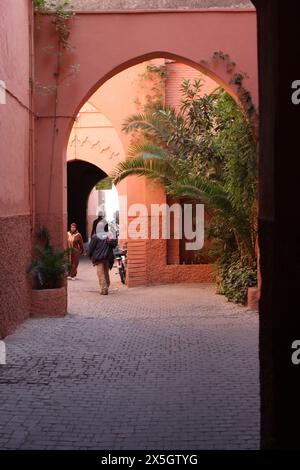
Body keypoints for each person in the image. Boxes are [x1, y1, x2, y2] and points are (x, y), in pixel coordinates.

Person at [89, 223, 117, 295]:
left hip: (99, 257)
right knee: (106, 272)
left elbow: (91, 248)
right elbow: (115, 245)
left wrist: (90, 255)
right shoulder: (110, 235)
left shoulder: (95, 236)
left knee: (100, 273)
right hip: (107, 257)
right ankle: (107, 285)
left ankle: (104, 289)